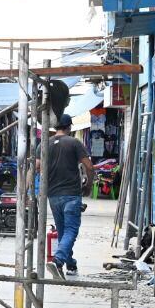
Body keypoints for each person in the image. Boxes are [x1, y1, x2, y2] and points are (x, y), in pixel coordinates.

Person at [44, 114, 93, 276]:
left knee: (64, 232)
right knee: (71, 230)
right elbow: (89, 167)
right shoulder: (74, 143)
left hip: (53, 196)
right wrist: (89, 185)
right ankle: (58, 260)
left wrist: (29, 191)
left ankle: (70, 264)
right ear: (69, 127)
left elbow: (36, 167)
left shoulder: (45, 143)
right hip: (71, 195)